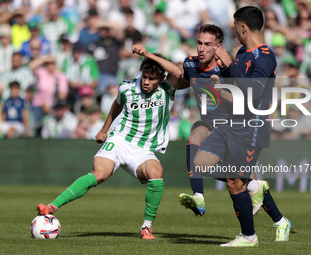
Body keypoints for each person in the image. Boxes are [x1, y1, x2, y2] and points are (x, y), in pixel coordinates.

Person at [36, 44, 182, 240]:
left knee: (156, 174)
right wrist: (105, 130)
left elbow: (178, 72)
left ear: (160, 79)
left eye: (152, 79)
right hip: (120, 139)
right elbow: (117, 104)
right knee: (100, 175)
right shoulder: (127, 87)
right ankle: (52, 206)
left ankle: (146, 227)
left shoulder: (167, 89)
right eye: (144, 77)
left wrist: (147, 54)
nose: (146, 82)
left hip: (143, 149)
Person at [194, 6, 292, 246]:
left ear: (243, 27)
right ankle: (258, 189)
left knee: (233, 182)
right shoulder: (242, 52)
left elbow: (255, 92)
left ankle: (249, 236)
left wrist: (229, 67)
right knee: (198, 164)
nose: (234, 30)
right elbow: (239, 91)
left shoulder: (265, 57)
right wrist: (222, 84)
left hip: (251, 128)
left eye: (236, 26)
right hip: (232, 123)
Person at [177, 24, 268, 217]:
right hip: (209, 124)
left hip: (233, 128)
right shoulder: (191, 64)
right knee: (193, 138)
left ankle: (280, 220)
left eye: (208, 44)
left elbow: (245, 102)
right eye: (199, 43)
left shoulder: (229, 71)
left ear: (219, 46)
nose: (202, 48)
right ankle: (199, 197)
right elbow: (181, 77)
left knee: (242, 183)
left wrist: (222, 90)